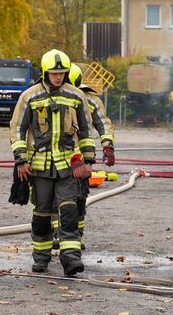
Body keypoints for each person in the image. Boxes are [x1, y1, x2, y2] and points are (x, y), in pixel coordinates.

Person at [9, 49, 95, 277]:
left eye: (62, 73)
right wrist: (20, 160)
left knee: (69, 211)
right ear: (45, 73)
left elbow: (85, 130)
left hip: (68, 165)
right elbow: (17, 129)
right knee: (42, 215)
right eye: (54, 73)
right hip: (40, 167)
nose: (58, 77)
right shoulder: (30, 96)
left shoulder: (76, 96)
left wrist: (88, 160)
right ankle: (41, 258)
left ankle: (71, 259)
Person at [52, 64, 116, 249]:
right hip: (57, 156)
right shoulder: (49, 96)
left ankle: (75, 235)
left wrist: (108, 145)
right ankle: (57, 234)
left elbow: (103, 124)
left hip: (80, 158)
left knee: (79, 197)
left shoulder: (90, 100)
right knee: (54, 198)